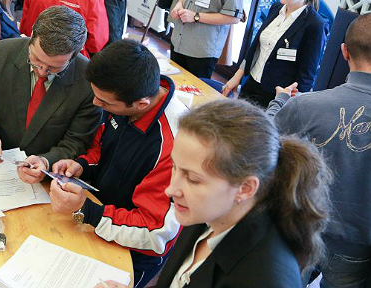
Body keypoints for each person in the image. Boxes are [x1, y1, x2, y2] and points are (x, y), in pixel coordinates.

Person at [97, 100, 332, 288]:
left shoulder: (264, 278)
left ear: (246, 188)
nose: (170, 189)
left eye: (193, 179)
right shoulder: (208, 211)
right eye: (175, 168)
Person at [44, 40, 185, 286]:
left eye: (105, 103)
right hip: (99, 218)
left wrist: (85, 211)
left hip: (133, 250)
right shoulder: (124, 93)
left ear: (141, 104)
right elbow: (102, 145)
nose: (96, 105)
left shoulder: (176, 147)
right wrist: (82, 165)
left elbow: (155, 234)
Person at [266, 13, 371, 288]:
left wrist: (279, 102)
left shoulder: (306, 106)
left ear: (344, 52)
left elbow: (263, 142)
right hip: (358, 246)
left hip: (302, 228)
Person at [0, 5, 101, 168]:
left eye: (54, 68)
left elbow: (76, 141)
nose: (42, 72)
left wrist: (46, 161)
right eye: (36, 60)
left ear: (72, 57)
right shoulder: (1, 54)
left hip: (45, 178)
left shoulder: (87, 81)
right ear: (31, 37)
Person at [223, 0, 326, 107]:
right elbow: (255, 47)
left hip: (276, 96)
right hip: (251, 83)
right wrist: (238, 75)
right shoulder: (276, 8)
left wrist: (291, 104)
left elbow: (307, 75)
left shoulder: (315, 24)